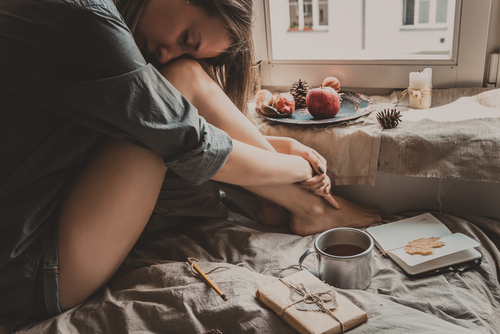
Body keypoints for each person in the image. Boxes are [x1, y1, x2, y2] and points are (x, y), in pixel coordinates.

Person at [0, 0, 382, 331]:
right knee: (177, 85)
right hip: (31, 270)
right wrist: (302, 171)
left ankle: (297, 206)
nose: (165, 53)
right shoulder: (84, 21)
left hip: (44, 223)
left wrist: (276, 150)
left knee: (180, 78)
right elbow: (192, 142)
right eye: (187, 38)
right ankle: (310, 206)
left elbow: (155, 121)